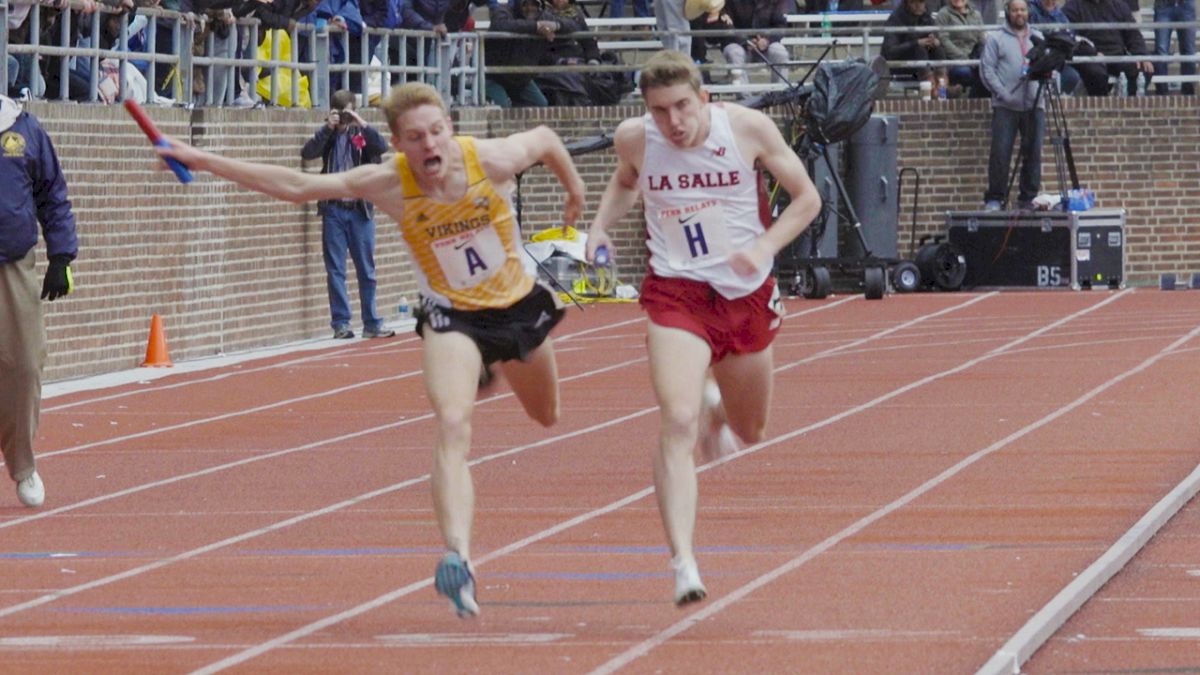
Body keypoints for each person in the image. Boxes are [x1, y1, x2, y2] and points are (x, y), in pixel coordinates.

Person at [154, 81, 586, 617]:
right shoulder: (386, 182)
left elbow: (545, 136)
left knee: (547, 416)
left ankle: (492, 373)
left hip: (516, 309)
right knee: (453, 422)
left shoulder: (491, 160)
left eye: (436, 132)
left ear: (450, 130)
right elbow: (295, 185)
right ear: (398, 145)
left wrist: (574, 190)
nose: (429, 145)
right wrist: (200, 158)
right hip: (453, 318)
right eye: (414, 137)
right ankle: (458, 556)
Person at [584, 50, 820, 605]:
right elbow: (625, 181)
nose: (673, 122)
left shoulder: (747, 128)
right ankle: (683, 561)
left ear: (704, 98)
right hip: (676, 293)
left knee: (752, 428)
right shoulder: (635, 138)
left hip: (745, 294)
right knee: (676, 418)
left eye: (682, 107)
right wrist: (598, 226)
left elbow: (808, 198)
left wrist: (763, 245)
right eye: (660, 111)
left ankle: (719, 410)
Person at [0, 93, 78, 508]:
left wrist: (61, 254)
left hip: (13, 265)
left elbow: (53, 195)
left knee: (25, 364)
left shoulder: (25, 131)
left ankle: (23, 466)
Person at [301, 89, 394, 340]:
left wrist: (360, 123)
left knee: (367, 269)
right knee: (335, 270)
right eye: (341, 114)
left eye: (349, 113)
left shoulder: (361, 134)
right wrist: (328, 129)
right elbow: (308, 152)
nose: (345, 118)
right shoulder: (329, 135)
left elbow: (381, 147)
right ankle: (341, 323)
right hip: (334, 210)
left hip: (359, 210)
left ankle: (372, 322)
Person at [980, 0, 1045, 211]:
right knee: (1000, 153)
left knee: (1033, 153)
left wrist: (1042, 93)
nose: (1019, 13)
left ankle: (1028, 198)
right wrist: (1003, 93)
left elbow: (1050, 65)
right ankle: (996, 198)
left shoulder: (1038, 38)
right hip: (1005, 107)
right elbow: (987, 70)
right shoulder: (996, 39)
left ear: (1028, 12)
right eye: (1015, 10)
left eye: (1023, 9)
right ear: (1008, 12)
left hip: (1034, 105)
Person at [1062, 0, 1153, 95]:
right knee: (1096, 74)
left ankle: (1127, 105)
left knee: (1144, 69)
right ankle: (1101, 107)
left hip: (1117, 56)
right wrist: (1091, 52)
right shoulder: (1073, 6)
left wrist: (1141, 54)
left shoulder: (1119, 5)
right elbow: (1069, 37)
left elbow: (1133, 34)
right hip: (1091, 57)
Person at [881, 0, 950, 91]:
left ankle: (942, 83)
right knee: (919, 48)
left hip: (924, 64)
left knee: (938, 48)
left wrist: (935, 41)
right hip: (901, 66)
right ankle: (933, 88)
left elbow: (936, 37)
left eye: (921, 2)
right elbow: (890, 51)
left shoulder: (927, 18)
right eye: (913, 2)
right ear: (906, 4)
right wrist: (916, 43)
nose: (918, 6)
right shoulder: (896, 19)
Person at [1152, 0, 1196, 95]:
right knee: (1161, 51)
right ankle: (1162, 94)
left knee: (1189, 51)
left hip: (1186, 5)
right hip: (1163, 5)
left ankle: (1188, 94)